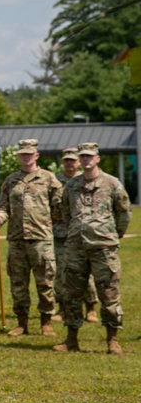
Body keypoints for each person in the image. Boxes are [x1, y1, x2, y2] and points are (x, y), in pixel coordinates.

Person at [53, 143, 132, 355]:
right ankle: (71, 340)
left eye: (90, 156)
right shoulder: (71, 186)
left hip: (103, 249)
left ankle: (112, 340)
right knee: (71, 295)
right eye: (83, 157)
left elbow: (123, 213)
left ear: (97, 159)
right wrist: (76, 232)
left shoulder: (112, 184)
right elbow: (66, 212)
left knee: (109, 295)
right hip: (76, 248)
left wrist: (113, 235)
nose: (86, 160)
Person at [0, 139, 62, 337]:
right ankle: (22, 323)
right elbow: (5, 207)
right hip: (17, 240)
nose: (26, 157)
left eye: (29, 154)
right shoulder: (11, 180)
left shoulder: (48, 178)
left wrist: (48, 225)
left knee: (45, 283)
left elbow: (59, 207)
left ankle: (46, 322)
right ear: (18, 156)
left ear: (36, 156)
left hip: (41, 240)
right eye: (22, 154)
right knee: (18, 284)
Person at [53, 147, 99, 324]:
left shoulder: (87, 179)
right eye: (66, 160)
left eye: (72, 159)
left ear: (78, 161)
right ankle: (63, 308)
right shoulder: (55, 181)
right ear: (62, 161)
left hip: (83, 233)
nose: (69, 163)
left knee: (85, 274)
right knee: (62, 273)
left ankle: (91, 308)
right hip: (60, 234)